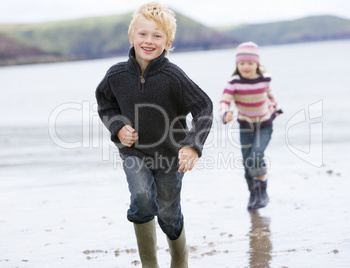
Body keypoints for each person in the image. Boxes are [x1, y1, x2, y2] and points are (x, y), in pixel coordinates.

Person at [95, 2, 213, 267]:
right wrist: (117, 126)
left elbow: (204, 107)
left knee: (169, 214)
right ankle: (150, 265)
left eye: (157, 36)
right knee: (142, 199)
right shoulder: (116, 75)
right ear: (131, 37)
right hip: (133, 152)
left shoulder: (173, 77)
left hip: (171, 156)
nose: (149, 41)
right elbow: (104, 102)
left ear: (168, 42)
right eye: (143, 34)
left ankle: (180, 260)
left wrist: (193, 145)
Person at [219, 41, 282, 210]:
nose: (246, 67)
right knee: (247, 162)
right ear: (237, 65)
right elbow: (224, 101)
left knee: (256, 156)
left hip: (264, 125)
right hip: (245, 126)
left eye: (250, 63)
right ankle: (253, 193)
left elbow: (269, 95)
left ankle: (263, 193)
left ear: (257, 64)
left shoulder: (264, 80)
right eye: (242, 63)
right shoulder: (234, 83)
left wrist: (277, 108)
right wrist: (226, 114)